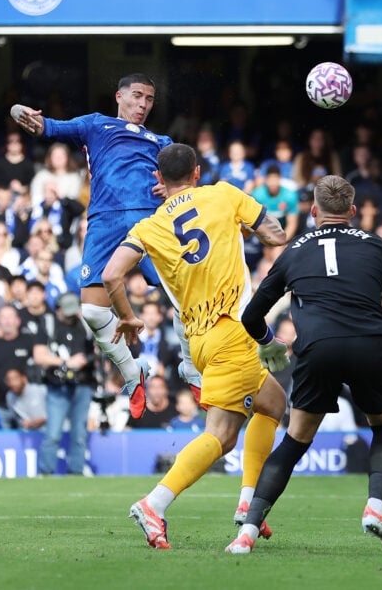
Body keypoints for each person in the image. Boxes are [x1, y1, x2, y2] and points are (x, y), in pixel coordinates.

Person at [226, 173, 382, 555]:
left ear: (313, 211)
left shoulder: (295, 250)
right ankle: (375, 507)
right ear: (354, 211)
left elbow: (251, 315)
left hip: (318, 349)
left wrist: (269, 343)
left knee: (294, 441)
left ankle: (247, 531)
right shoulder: (377, 245)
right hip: (371, 346)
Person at [101, 143, 289, 550]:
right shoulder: (223, 194)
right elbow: (277, 236)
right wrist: (243, 226)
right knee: (221, 436)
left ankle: (248, 505)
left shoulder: (148, 227)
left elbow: (111, 273)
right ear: (198, 172)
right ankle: (155, 503)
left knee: (272, 403)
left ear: (159, 180)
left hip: (198, 337)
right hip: (233, 329)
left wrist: (129, 316)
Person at [11, 73, 201, 420]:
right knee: (94, 312)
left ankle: (190, 367)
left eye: (149, 100)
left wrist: (171, 190)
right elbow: (47, 128)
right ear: (119, 96)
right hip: (103, 221)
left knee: (185, 299)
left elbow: (182, 183)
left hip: (149, 221)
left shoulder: (162, 140)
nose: (143, 104)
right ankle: (132, 373)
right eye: (137, 96)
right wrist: (24, 115)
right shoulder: (95, 125)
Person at [33, 291, 96, 476]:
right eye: (66, 312)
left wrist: (87, 359)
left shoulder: (84, 324)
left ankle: (76, 472)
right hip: (57, 385)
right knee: (53, 433)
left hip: (83, 384)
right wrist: (66, 363)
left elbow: (99, 349)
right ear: (58, 309)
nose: (70, 316)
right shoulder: (48, 323)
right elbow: (39, 356)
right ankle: (45, 472)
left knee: (79, 434)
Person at [4, 367, 47, 431]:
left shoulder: (40, 390)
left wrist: (36, 422)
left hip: (49, 431)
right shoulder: (10, 396)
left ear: (24, 378)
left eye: (15, 378)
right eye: (9, 380)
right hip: (27, 433)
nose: (12, 383)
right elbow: (17, 418)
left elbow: (54, 414)